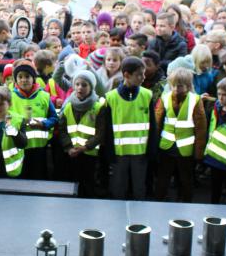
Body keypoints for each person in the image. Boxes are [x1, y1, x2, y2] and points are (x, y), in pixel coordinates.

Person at [98, 57, 154, 199]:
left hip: (141, 153)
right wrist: (109, 152)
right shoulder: (111, 97)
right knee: (118, 188)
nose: (143, 77)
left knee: (139, 189)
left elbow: (153, 126)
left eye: (144, 73)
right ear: (126, 75)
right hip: (119, 154)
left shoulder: (147, 95)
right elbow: (107, 130)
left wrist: (151, 150)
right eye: (139, 74)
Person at [154, 67, 207, 202]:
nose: (176, 89)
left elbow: (201, 128)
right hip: (166, 146)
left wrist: (199, 153)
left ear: (188, 86)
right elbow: (157, 122)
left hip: (186, 149)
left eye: (180, 86)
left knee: (186, 179)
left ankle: (185, 201)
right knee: (163, 178)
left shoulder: (195, 100)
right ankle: (159, 200)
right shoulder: (165, 98)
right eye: (173, 86)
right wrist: (154, 145)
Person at [57, 69, 104, 197]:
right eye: (77, 84)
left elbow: (101, 132)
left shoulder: (99, 106)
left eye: (84, 85)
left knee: (88, 183)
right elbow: (62, 129)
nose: (80, 88)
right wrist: (69, 147)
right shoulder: (68, 105)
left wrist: (85, 147)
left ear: (91, 87)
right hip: (72, 152)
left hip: (90, 153)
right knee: (73, 183)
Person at [9, 59, 57, 180]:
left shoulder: (44, 96)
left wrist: (43, 124)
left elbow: (54, 118)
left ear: (33, 78)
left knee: (38, 178)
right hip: (19, 147)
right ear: (15, 80)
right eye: (20, 77)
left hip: (39, 148)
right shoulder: (10, 97)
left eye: (27, 76)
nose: (24, 80)